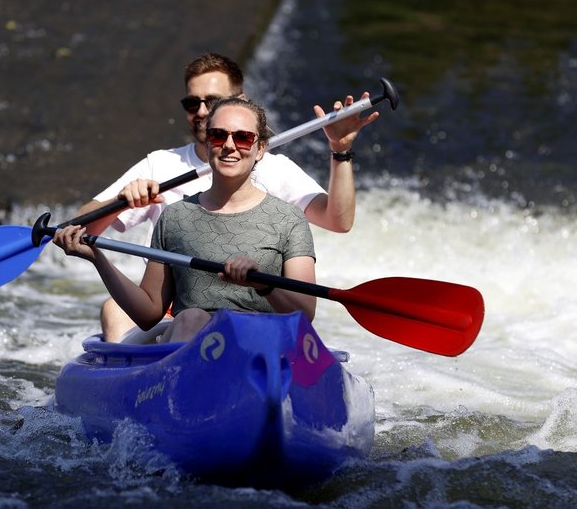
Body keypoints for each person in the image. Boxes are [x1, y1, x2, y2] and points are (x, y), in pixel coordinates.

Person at [76, 52, 378, 341]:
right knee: (118, 310)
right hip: (174, 315)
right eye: (192, 103)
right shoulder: (160, 165)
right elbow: (80, 229)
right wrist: (121, 201)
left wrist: (340, 152)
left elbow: (338, 220)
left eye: (213, 102)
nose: (203, 112)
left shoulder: (278, 176)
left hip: (256, 320)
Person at [53, 97, 316, 345]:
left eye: (243, 137)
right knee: (192, 317)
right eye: (218, 135)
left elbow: (305, 313)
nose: (229, 145)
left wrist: (264, 284)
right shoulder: (175, 216)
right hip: (190, 344)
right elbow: (149, 313)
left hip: (260, 348)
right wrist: (97, 257)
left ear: (260, 149)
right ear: (208, 142)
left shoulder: (288, 219)